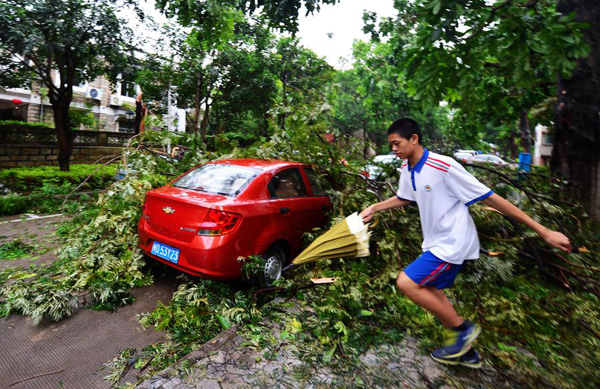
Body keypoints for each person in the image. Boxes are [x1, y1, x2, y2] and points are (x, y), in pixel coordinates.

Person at [359, 118, 571, 368]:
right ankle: (466, 352)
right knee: (432, 290)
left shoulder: (444, 165)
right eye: (391, 145)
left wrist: (544, 231)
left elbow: (491, 198)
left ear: (414, 139)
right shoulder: (407, 167)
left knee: (406, 282)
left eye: (397, 144)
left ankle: (463, 330)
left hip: (454, 242)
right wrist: (375, 206)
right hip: (435, 241)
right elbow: (405, 197)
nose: (393, 149)